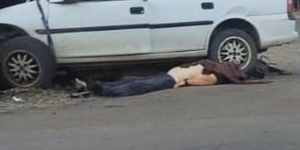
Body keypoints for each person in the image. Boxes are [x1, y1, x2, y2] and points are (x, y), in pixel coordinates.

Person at [87, 60, 257, 97]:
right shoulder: (212, 67)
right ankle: (102, 86)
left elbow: (197, 81)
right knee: (133, 80)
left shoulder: (216, 75)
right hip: (172, 75)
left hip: (174, 80)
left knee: (139, 84)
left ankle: (105, 90)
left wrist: (187, 81)